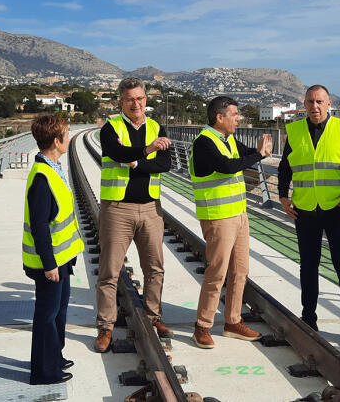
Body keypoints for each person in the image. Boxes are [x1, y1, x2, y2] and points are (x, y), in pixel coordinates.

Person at [278, 85, 340, 349]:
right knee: (308, 267)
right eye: (309, 102)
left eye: (319, 102)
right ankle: (309, 320)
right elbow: (285, 168)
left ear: (329, 104)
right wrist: (283, 196)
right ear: (303, 105)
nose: (314, 106)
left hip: (337, 211)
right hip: (305, 210)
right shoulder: (293, 131)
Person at [95, 77, 173, 353]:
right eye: (130, 99)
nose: (136, 103)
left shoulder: (155, 126)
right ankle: (105, 326)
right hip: (118, 208)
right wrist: (149, 151)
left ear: (146, 99)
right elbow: (116, 152)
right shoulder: (111, 127)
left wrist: (137, 161)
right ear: (121, 102)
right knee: (110, 271)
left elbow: (166, 163)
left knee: (155, 268)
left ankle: (154, 317)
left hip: (151, 208)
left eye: (140, 99)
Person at [189, 96, 272, 349]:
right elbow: (227, 167)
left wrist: (260, 151)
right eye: (235, 114)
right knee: (218, 273)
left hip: (239, 215)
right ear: (219, 117)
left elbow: (246, 156)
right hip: (218, 217)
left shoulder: (228, 140)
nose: (239, 119)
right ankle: (202, 326)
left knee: (240, 271)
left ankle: (232, 321)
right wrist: (258, 154)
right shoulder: (204, 143)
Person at [22, 114, 84, 385]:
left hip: (63, 257)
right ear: (57, 141)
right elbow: (39, 226)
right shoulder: (42, 177)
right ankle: (43, 372)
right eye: (67, 135)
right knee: (46, 316)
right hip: (49, 262)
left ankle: (54, 357)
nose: (69, 138)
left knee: (59, 311)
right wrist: (49, 265)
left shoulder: (53, 167)